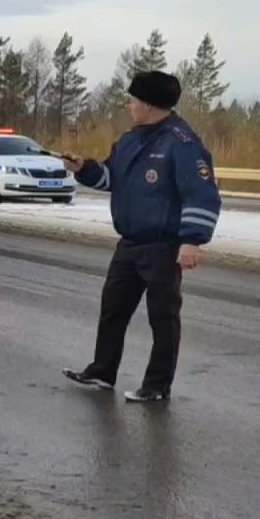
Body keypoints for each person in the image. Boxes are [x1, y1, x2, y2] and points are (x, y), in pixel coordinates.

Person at [59, 70, 222, 402]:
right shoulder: (131, 139)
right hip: (129, 244)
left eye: (132, 99)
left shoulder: (182, 143)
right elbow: (111, 177)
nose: (128, 104)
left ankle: (157, 385)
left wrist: (192, 240)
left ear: (148, 103)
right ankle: (102, 372)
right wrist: (84, 168)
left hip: (163, 246)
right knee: (112, 309)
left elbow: (201, 193)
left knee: (163, 318)